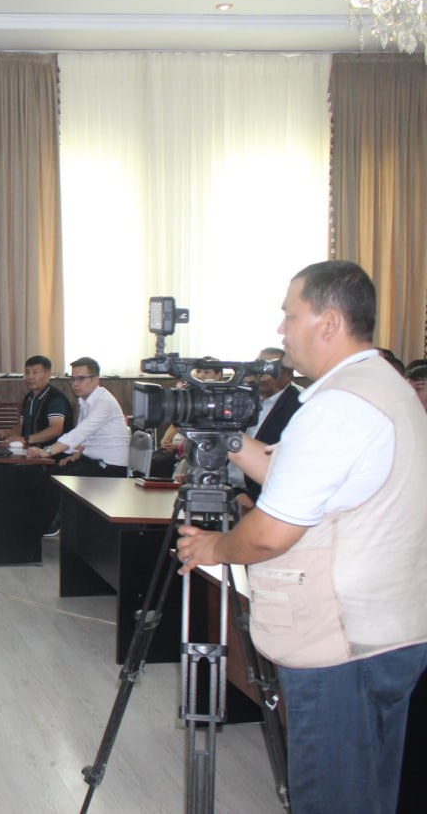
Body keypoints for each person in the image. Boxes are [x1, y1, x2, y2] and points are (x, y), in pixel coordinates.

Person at [177, 260, 427, 814]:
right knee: (368, 792)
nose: (281, 329)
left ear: (329, 322)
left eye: (290, 315)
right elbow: (294, 475)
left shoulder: (338, 407)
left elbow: (269, 535)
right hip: (386, 631)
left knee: (335, 798)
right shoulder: (377, 388)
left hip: (340, 645)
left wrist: (215, 548)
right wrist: (228, 438)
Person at [28, 356, 129, 476]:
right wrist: (76, 454)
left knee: (51, 479)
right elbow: (84, 437)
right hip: (91, 461)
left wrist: (47, 452)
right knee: (47, 475)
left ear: (95, 380)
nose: (75, 384)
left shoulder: (104, 402)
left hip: (109, 466)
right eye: (73, 379)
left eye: (81, 379)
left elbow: (79, 434)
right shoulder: (84, 400)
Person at [240, 346, 302, 501]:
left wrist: (251, 496)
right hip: (231, 485)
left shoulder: (297, 406)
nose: (260, 374)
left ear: (287, 374)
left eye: (268, 368)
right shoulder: (245, 398)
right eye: (258, 366)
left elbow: (292, 461)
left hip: (263, 494)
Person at [0, 355, 73, 449]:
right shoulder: (28, 397)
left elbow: (56, 429)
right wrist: (8, 433)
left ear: (48, 374)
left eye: (35, 372)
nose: (30, 377)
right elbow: (22, 425)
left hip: (51, 452)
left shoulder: (56, 399)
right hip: (31, 450)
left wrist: (26, 439)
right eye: (27, 372)